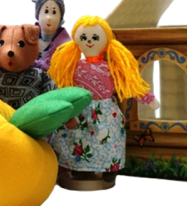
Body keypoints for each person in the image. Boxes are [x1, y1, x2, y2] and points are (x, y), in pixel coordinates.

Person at [48, 15, 159, 190]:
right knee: (76, 138)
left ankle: (109, 168)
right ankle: (79, 168)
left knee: (108, 138)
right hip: (80, 109)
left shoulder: (112, 67)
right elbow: (63, 86)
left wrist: (148, 98)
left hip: (106, 111)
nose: (89, 41)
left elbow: (129, 84)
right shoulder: (73, 66)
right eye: (84, 37)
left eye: (95, 37)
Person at [31, 0, 71, 71]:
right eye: (45, 11)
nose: (49, 17)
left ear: (60, 18)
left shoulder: (67, 46)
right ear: (38, 15)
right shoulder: (27, 38)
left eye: (54, 12)